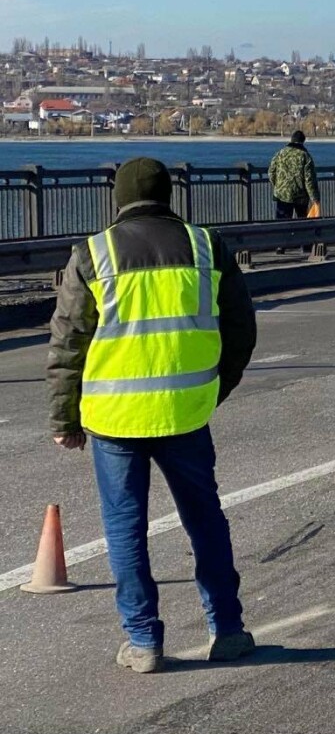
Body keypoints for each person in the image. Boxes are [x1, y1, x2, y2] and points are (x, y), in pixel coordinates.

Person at [46, 157, 259, 674]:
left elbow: (68, 341)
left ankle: (143, 642)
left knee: (125, 529)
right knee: (205, 521)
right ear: (169, 196)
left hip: (114, 419)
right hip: (185, 414)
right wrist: (213, 389)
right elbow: (241, 330)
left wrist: (64, 419)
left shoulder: (93, 254)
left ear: (117, 199)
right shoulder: (208, 247)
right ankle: (227, 630)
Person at [269, 129, 319, 220]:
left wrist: (278, 186)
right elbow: (309, 180)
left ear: (291, 140)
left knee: (282, 224)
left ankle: (283, 234)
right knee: (302, 222)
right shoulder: (305, 156)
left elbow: (271, 172)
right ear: (302, 141)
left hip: (282, 194)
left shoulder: (280, 153)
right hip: (301, 196)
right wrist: (315, 198)